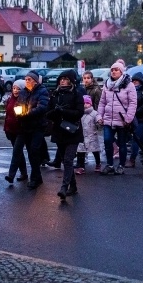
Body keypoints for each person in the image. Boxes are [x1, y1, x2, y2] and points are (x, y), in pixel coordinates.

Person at [47, 70, 85, 199]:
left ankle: (64, 187)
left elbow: (79, 112)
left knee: (68, 159)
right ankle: (73, 186)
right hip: (59, 131)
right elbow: (48, 113)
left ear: (71, 80)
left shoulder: (76, 94)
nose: (62, 81)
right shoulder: (55, 94)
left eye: (65, 79)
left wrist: (64, 111)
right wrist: (55, 111)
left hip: (72, 131)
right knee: (65, 160)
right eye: (61, 79)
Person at [97, 62, 136, 174]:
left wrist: (128, 118)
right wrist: (100, 116)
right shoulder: (107, 84)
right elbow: (102, 102)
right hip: (108, 119)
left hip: (122, 120)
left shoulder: (129, 85)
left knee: (122, 144)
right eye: (112, 69)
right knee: (107, 141)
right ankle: (109, 165)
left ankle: (121, 165)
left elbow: (133, 103)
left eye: (116, 70)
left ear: (121, 71)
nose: (113, 71)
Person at [12, 71, 50, 189]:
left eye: (29, 79)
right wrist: (18, 112)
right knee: (30, 152)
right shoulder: (23, 92)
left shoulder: (42, 91)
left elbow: (42, 107)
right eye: (26, 79)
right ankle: (37, 177)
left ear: (35, 80)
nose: (26, 81)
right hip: (25, 126)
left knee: (34, 150)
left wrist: (27, 113)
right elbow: (17, 104)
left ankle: (35, 178)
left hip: (38, 126)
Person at [3, 83, 28, 183]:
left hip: (21, 130)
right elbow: (7, 115)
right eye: (14, 88)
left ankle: (11, 175)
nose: (15, 90)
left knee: (16, 151)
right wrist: (6, 128)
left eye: (18, 89)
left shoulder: (24, 100)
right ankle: (24, 173)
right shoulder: (10, 99)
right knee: (18, 152)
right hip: (11, 130)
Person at [128, 73, 143, 168]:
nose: (134, 83)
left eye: (136, 81)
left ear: (140, 81)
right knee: (140, 138)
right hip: (134, 118)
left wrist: (134, 112)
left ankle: (132, 159)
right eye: (133, 81)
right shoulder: (131, 91)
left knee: (136, 138)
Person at [75, 95, 102, 173]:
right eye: (84, 103)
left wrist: (99, 121)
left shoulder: (94, 113)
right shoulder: (80, 113)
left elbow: (98, 117)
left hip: (91, 135)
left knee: (95, 151)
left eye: (87, 103)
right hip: (81, 135)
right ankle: (81, 166)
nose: (85, 105)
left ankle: (98, 163)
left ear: (91, 104)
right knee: (80, 152)